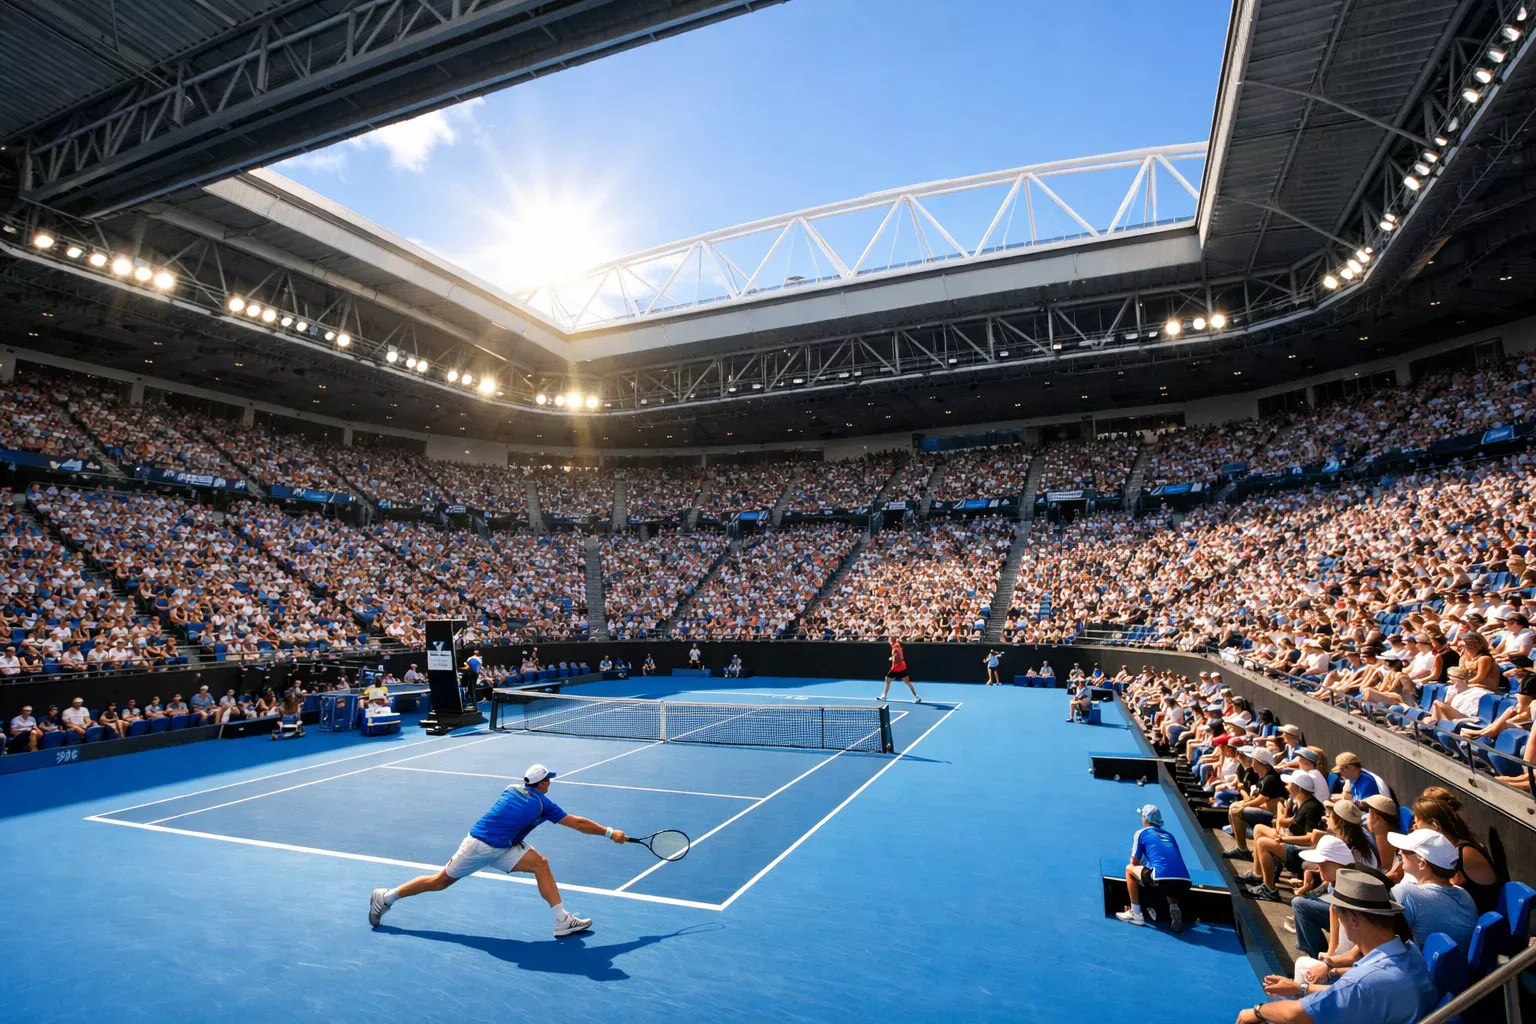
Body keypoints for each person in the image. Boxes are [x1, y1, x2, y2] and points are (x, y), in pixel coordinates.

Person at [369, 763, 627, 938]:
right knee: (440, 882)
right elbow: (578, 824)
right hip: (479, 846)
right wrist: (610, 832)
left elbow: (511, 817)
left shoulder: (511, 788)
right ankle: (386, 898)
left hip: (504, 846)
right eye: (549, 779)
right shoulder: (542, 804)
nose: (551, 782)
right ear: (543, 783)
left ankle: (562, 920)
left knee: (540, 863)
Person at [1242, 869, 1436, 1024]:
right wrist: (1298, 987)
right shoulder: (1410, 950)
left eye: (1339, 915)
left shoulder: (1363, 982)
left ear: (1353, 919)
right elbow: (1344, 995)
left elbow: (1295, 1015)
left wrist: (1257, 1012)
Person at [1385, 829, 1477, 948]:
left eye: (1406, 850)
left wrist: (1386, 880)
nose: (1400, 852)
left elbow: (1376, 939)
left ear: (1421, 863)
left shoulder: (1406, 893)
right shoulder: (1464, 894)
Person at [1115, 805, 1191, 932]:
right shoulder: (1170, 836)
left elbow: (1134, 862)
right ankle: (1174, 907)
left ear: (1145, 819)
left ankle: (1135, 913)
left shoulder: (1141, 833)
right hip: (1184, 882)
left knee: (1129, 869)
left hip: (1160, 881)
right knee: (1168, 874)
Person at [879, 637, 920, 702]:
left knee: (887, 679)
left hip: (897, 668)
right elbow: (897, 656)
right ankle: (916, 696)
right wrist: (893, 658)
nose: (888, 641)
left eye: (889, 640)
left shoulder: (895, 648)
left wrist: (892, 659)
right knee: (907, 682)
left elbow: (897, 659)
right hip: (902, 667)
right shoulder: (898, 647)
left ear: (892, 641)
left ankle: (884, 696)